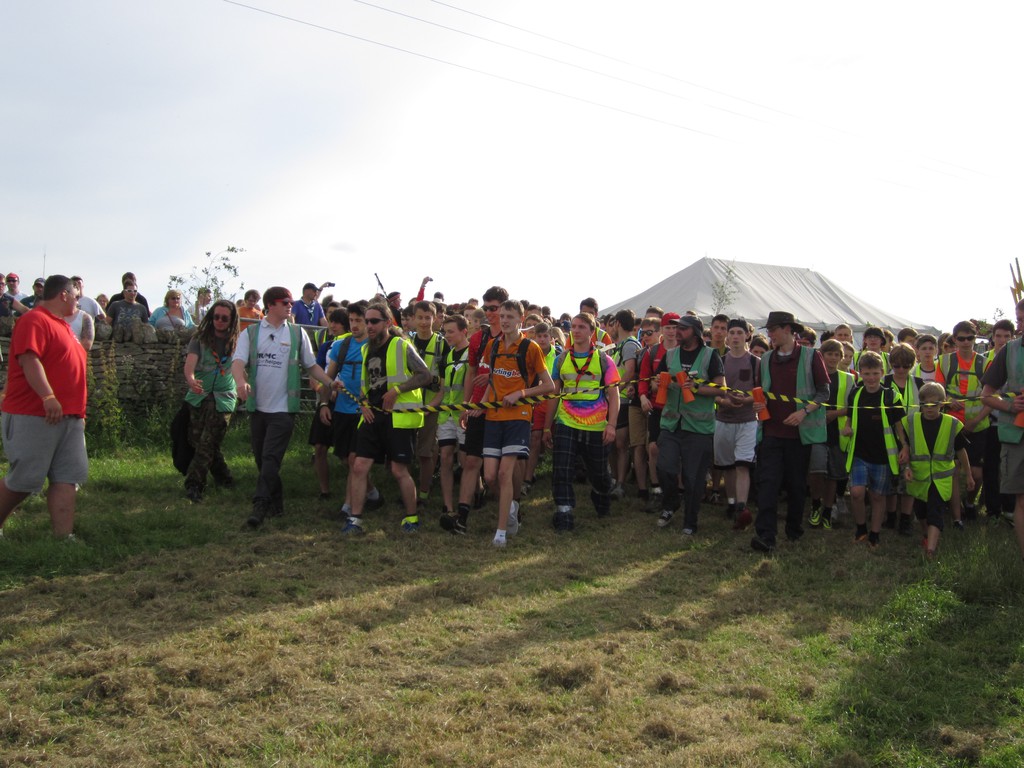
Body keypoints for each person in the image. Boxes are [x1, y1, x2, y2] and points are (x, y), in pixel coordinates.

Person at [232, 286, 337, 528]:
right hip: (258, 407)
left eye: (291, 301)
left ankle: (260, 504)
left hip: (283, 409)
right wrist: (240, 382)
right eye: (285, 302)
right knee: (262, 459)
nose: (290, 305)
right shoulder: (251, 333)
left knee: (271, 457)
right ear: (270, 305)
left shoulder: (297, 333)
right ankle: (276, 503)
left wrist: (330, 382)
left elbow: (311, 366)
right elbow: (238, 362)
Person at [0, 276, 88, 540]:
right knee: (23, 480)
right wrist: (48, 396)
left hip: (69, 417)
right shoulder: (34, 320)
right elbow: (29, 359)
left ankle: (63, 538)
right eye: (75, 296)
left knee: (67, 478)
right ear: (63, 294)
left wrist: (79, 413)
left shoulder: (64, 326)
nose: (78, 301)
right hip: (35, 413)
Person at [340, 301, 432, 535]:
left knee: (399, 470)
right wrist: (363, 404)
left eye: (374, 321)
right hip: (372, 416)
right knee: (359, 466)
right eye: (366, 321)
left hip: (398, 418)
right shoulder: (365, 349)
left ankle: (411, 517)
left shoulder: (401, 345)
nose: (369, 325)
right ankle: (355, 519)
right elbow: (365, 384)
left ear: (387, 323)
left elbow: (425, 375)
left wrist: (397, 391)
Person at [474, 300, 554, 547]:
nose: (505, 320)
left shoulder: (530, 347)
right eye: (502, 316)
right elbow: (492, 382)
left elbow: (549, 386)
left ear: (521, 319)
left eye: (510, 316)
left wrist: (521, 393)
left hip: (518, 417)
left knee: (504, 473)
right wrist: (480, 406)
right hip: (493, 417)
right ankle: (510, 507)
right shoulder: (493, 345)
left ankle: (501, 532)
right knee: (489, 476)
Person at [751, 311, 830, 553]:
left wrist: (804, 412)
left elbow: (824, 393)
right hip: (771, 432)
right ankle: (766, 536)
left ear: (788, 329)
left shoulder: (811, 356)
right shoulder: (766, 359)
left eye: (773, 330)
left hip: (799, 435)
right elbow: (761, 391)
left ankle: (794, 529)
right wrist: (759, 404)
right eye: (768, 330)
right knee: (768, 484)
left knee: (796, 486)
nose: (770, 335)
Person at [542, 313, 619, 532]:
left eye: (582, 327)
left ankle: (601, 494)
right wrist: (547, 427)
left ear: (592, 331)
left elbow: (614, 396)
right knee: (562, 469)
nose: (576, 331)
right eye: (574, 327)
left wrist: (611, 425)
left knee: (599, 474)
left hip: (596, 425)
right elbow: (554, 395)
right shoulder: (561, 359)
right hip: (566, 422)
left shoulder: (604, 360)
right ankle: (564, 512)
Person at [653, 315, 725, 536]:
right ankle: (670, 504)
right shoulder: (670, 354)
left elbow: (721, 389)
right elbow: (657, 382)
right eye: (676, 328)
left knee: (693, 479)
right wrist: (658, 384)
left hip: (698, 428)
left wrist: (696, 388)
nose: (677, 332)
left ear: (695, 332)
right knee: (664, 467)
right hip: (671, 424)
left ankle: (690, 522)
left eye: (683, 328)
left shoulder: (710, 356)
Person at [319, 302, 384, 521]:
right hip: (342, 409)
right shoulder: (341, 345)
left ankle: (347, 507)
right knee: (346, 459)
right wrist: (324, 404)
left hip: (365, 411)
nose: (355, 325)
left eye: (359, 320)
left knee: (356, 460)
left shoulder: (376, 346)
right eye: (352, 320)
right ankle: (373, 494)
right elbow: (328, 377)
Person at [841, 351, 907, 548]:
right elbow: (849, 417)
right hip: (859, 453)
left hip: (883, 456)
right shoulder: (855, 393)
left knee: (878, 496)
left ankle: (875, 533)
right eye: (867, 374)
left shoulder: (891, 396)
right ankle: (861, 528)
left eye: (875, 373)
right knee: (857, 493)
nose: (871, 378)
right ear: (860, 373)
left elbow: (899, 426)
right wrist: (847, 427)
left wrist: (905, 446)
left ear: (882, 373)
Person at [901, 382, 972, 557]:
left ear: (942, 403)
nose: (929, 408)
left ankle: (930, 550)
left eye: (934, 404)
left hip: (941, 480)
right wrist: (907, 467)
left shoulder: (951, 424)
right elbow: (906, 449)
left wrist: (969, 475)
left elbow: (961, 451)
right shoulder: (911, 422)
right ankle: (926, 535)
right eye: (925, 404)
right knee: (921, 511)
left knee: (935, 512)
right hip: (919, 478)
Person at [182, 299, 239, 502]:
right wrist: (191, 380)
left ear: (232, 320)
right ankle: (224, 478)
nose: (219, 321)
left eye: (224, 318)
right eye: (216, 317)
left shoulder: (238, 342)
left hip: (224, 398)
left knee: (207, 442)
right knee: (199, 441)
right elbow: (189, 366)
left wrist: (245, 386)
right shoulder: (199, 338)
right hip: (199, 395)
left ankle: (194, 484)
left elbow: (241, 368)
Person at [935, 319, 991, 522]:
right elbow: (938, 391)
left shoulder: (986, 363)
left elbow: (993, 397)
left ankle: (969, 503)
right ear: (955, 340)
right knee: (951, 471)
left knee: (976, 474)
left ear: (975, 339)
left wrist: (976, 420)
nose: (966, 342)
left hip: (978, 425)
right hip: (951, 424)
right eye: (961, 338)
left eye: (970, 338)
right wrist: (948, 400)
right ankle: (952, 508)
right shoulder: (944, 362)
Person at [981, 298, 1024, 559]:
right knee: (1021, 499)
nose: (1020, 326)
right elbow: (986, 395)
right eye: (1020, 320)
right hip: (1017, 436)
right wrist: (1010, 406)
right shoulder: (1009, 351)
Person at [714, 318, 759, 530]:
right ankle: (731, 502)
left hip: (748, 420)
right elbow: (712, 391)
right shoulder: (720, 361)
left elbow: (762, 392)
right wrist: (723, 401)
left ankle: (741, 507)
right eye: (731, 332)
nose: (735, 337)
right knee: (727, 465)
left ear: (747, 335)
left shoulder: (756, 362)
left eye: (739, 333)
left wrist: (746, 400)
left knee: (742, 464)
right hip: (723, 420)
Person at [436, 314, 471, 524]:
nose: (447, 335)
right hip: (446, 415)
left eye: (451, 331)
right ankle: (448, 506)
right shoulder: (447, 356)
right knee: (445, 457)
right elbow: (443, 390)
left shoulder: (471, 354)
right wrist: (428, 407)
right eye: (445, 331)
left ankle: (475, 492)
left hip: (465, 415)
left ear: (463, 331)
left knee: (466, 461)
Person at [608, 309, 642, 499]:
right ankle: (614, 480)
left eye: (613, 324)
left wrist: (614, 390)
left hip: (623, 400)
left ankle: (620, 483)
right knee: (612, 443)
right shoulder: (619, 345)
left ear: (618, 324)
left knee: (621, 443)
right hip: (616, 399)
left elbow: (629, 371)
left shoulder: (629, 344)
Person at [64, 284, 95, 352]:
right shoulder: (54, 315)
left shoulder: (85, 317)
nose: (76, 300)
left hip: (75, 355)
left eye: (77, 297)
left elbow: (87, 345)